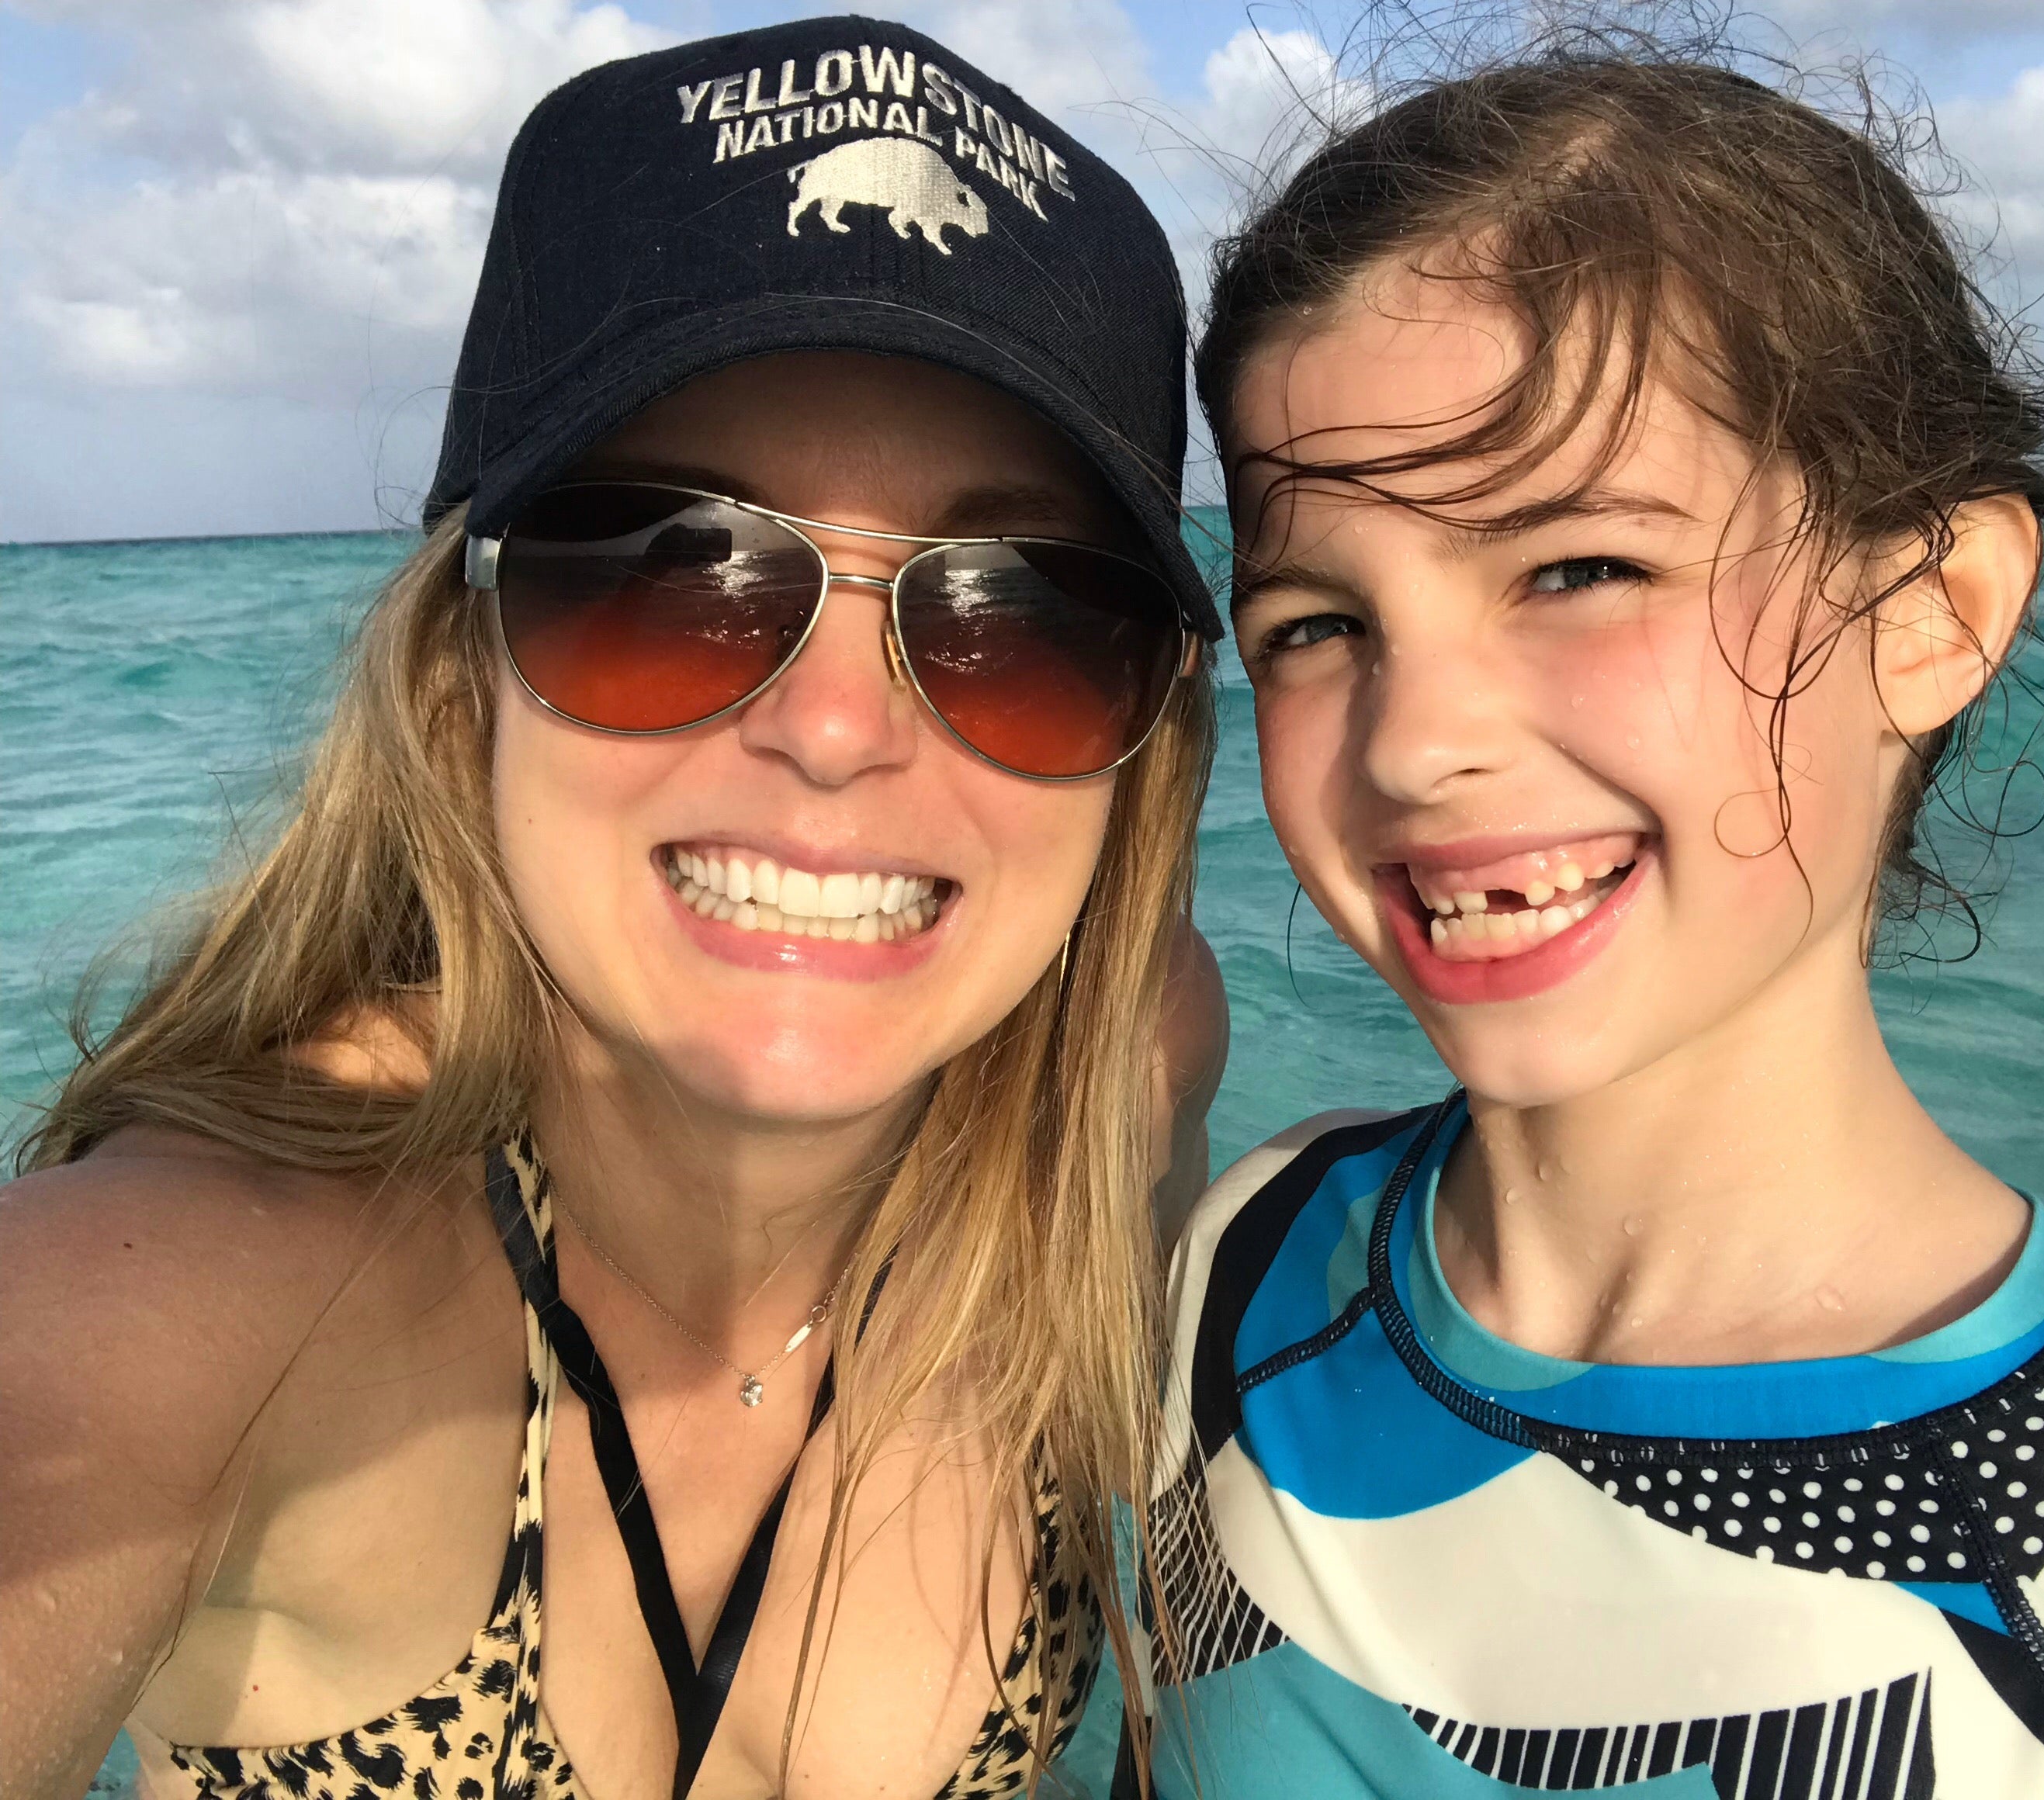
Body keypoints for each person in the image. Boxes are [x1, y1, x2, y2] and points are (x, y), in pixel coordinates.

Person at [1144, 33, 2044, 1800]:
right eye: (1315, 625)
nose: (1414, 743)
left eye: (1580, 567)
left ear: (1931, 610)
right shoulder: (1252, 1256)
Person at [2, 18, 1228, 1800]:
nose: (833, 728)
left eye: (1019, 610)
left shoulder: (1119, 1066)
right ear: (460, 669)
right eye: (672, 566)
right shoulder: (232, 1281)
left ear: (1145, 731)